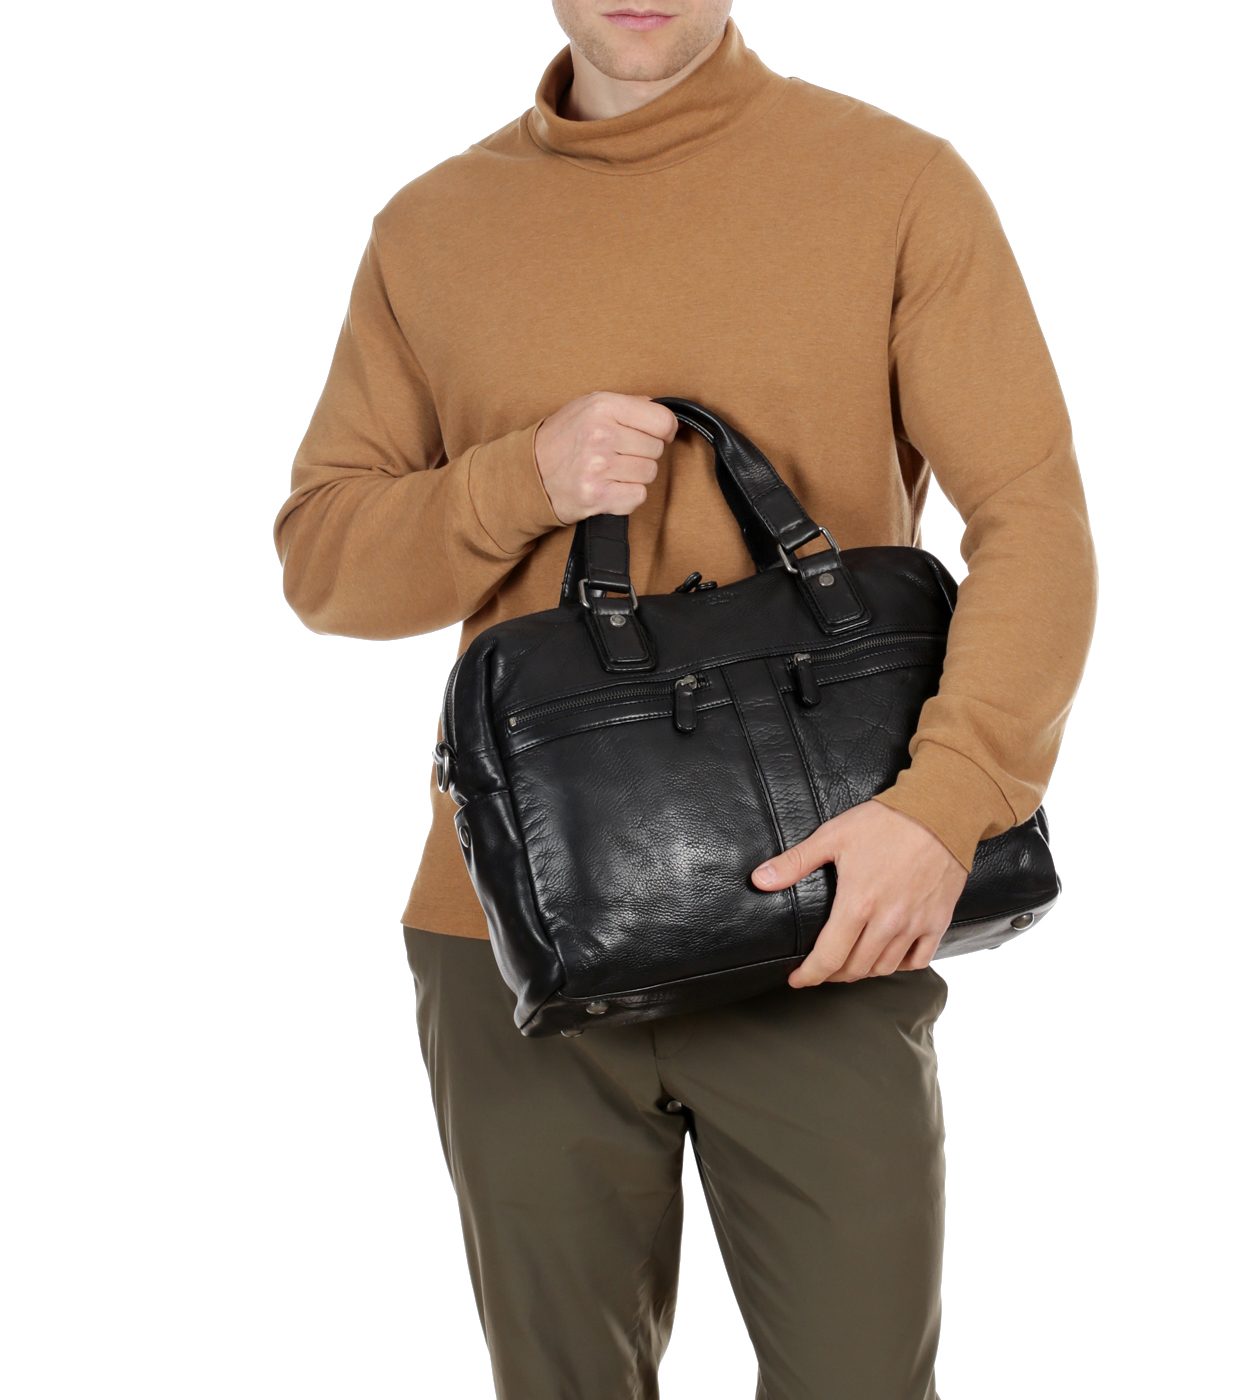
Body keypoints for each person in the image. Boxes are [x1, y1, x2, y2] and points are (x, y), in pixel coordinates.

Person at [274, 3, 1095, 1395]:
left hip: (831, 919)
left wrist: (945, 809)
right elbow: (324, 564)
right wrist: (521, 480)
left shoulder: (895, 182)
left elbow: (1037, 524)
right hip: (517, 939)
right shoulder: (431, 229)